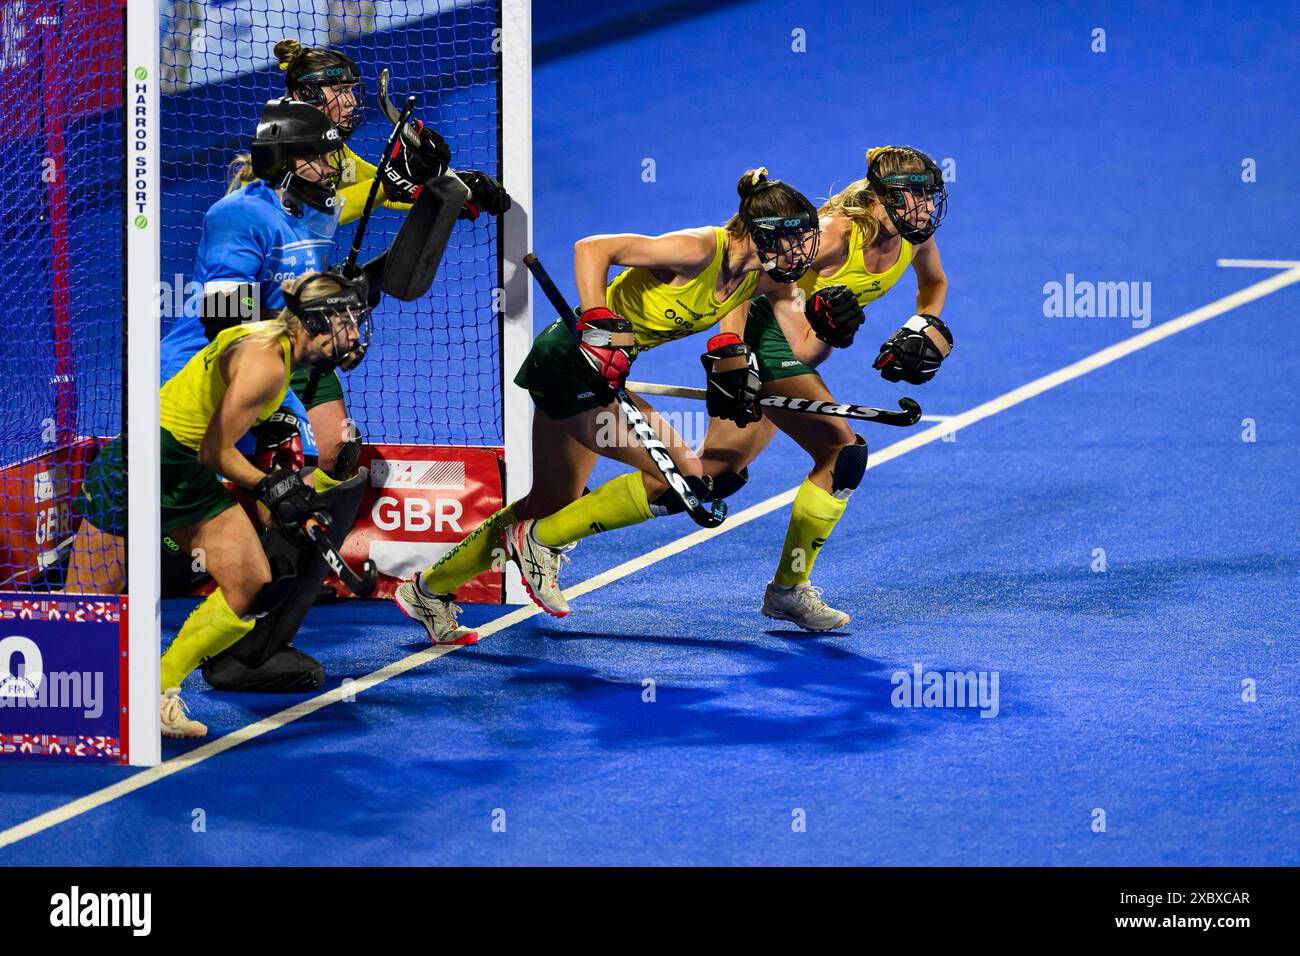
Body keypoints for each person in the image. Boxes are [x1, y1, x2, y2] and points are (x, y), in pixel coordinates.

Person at [394, 169, 823, 642]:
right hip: (573, 361)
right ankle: (537, 541)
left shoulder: (751, 275)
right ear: (760, 234)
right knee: (684, 477)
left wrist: (733, 358)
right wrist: (598, 322)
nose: (799, 253)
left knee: (551, 501)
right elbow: (592, 248)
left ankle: (426, 590)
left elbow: (739, 315)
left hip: (588, 371)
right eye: (791, 241)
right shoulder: (700, 248)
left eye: (803, 240)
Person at [71, 270, 373, 737]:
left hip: (185, 474)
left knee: (250, 581)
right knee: (84, 615)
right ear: (314, 323)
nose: (354, 334)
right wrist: (271, 486)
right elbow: (217, 451)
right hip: (139, 467)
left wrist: (277, 482)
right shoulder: (268, 364)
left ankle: (155, 688)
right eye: (346, 322)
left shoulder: (276, 342)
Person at [695, 145, 952, 630]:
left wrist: (924, 326)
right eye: (912, 197)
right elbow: (751, 277)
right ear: (881, 197)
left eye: (929, 197)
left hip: (799, 343)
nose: (924, 209)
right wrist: (731, 350)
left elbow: (934, 284)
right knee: (844, 451)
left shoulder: (914, 235)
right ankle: (788, 590)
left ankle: (543, 531)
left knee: (713, 477)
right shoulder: (835, 235)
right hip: (766, 333)